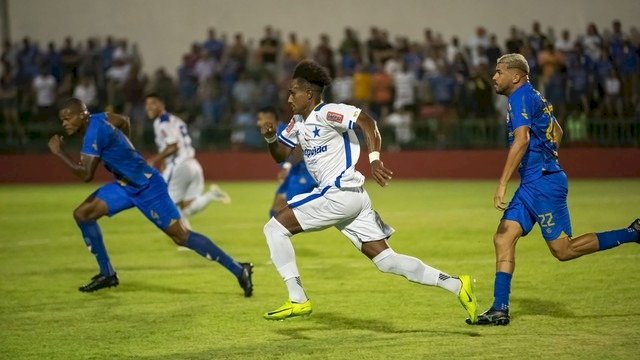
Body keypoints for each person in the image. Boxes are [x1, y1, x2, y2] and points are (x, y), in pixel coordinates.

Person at [258, 59, 477, 321]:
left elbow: (367, 122)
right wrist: (271, 138)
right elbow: (281, 155)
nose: (289, 97)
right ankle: (456, 284)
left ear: (309, 93)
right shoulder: (296, 121)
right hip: (353, 200)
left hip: (338, 194)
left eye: (293, 91)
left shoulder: (328, 113)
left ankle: (298, 298)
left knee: (274, 228)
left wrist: (374, 159)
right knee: (387, 261)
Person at [472, 53, 640, 326]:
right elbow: (558, 131)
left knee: (563, 250)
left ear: (515, 76)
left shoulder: (520, 97)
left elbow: (522, 139)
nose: (494, 77)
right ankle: (499, 309)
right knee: (503, 238)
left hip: (543, 183)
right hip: (534, 181)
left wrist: (502, 182)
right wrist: (546, 157)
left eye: (499, 72)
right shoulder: (534, 96)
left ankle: (633, 233)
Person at [47, 98, 253, 297]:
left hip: (148, 188)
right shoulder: (101, 118)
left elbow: (86, 175)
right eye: (62, 120)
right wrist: (127, 149)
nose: (64, 123)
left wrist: (59, 153)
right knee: (83, 214)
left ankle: (238, 269)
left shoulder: (94, 134)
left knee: (181, 236)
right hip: (125, 186)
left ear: (83, 115)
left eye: (68, 118)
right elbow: (124, 120)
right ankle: (107, 274)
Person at [145, 93, 231, 230]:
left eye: (152, 103)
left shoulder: (163, 123)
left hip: (179, 165)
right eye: (147, 104)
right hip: (192, 164)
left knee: (166, 206)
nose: (149, 107)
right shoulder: (176, 120)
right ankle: (210, 196)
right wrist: (163, 164)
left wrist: (153, 160)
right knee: (187, 206)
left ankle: (184, 237)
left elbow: (173, 146)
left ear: (161, 104)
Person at [256, 106, 317, 218]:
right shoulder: (273, 132)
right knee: (275, 211)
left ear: (270, 118)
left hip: (303, 172)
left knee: (286, 213)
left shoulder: (285, 129)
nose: (258, 123)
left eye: (261, 119)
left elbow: (299, 146)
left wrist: (287, 167)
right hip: (292, 173)